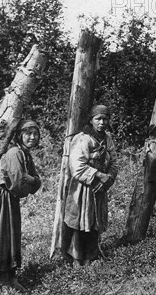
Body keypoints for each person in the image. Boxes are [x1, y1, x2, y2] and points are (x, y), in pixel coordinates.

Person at [0, 119, 42, 291]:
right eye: (28, 134)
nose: (32, 137)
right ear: (19, 136)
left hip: (8, 196)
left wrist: (33, 180)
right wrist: (31, 181)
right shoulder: (15, 153)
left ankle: (7, 277)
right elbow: (20, 185)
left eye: (35, 134)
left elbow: (34, 180)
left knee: (8, 236)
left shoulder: (25, 154)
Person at [61, 105, 119, 266]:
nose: (102, 122)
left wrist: (108, 180)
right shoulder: (82, 138)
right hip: (82, 188)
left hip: (99, 188)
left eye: (105, 119)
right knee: (80, 220)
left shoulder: (107, 139)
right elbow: (77, 166)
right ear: (91, 120)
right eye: (98, 119)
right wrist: (99, 175)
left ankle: (91, 256)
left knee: (94, 221)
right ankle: (76, 258)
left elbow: (114, 162)